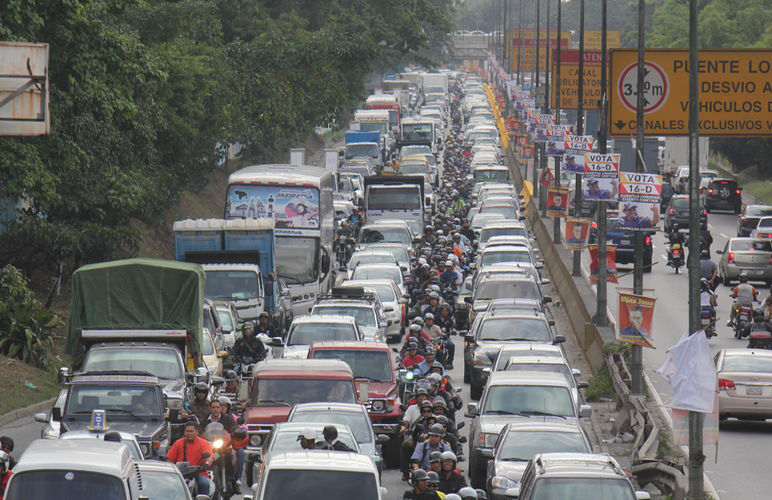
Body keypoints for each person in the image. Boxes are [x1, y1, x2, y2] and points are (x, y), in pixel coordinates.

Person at [166, 421, 214, 495]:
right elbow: (170, 459)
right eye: (187, 431)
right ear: (184, 432)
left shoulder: (203, 443)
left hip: (199, 472)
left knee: (204, 483)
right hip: (181, 473)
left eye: (191, 431)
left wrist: (207, 464)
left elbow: (210, 457)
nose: (189, 433)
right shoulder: (178, 443)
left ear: (197, 432)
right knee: (169, 486)